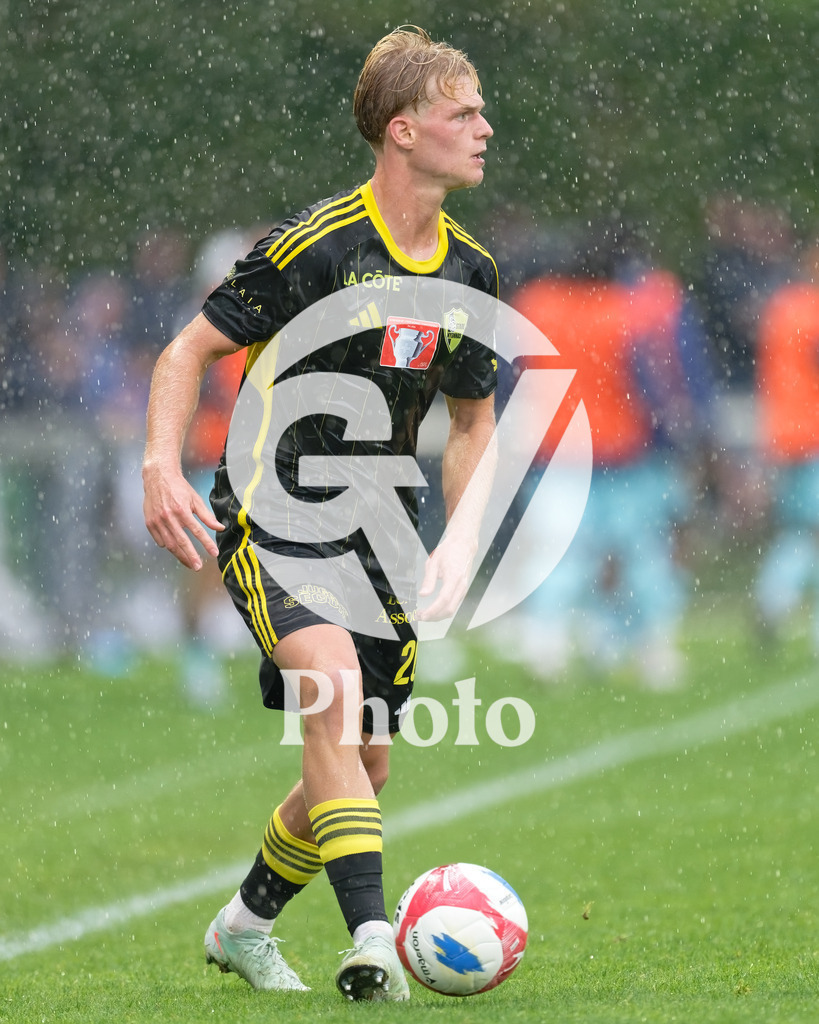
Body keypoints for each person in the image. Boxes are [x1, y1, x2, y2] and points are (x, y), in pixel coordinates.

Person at [142, 26, 497, 1002]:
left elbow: (474, 423)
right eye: (463, 112)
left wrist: (460, 540)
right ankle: (374, 938)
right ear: (402, 130)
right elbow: (185, 353)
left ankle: (245, 925)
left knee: (364, 765)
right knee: (332, 697)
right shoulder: (316, 247)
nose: (484, 127)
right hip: (274, 509)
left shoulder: (469, 275)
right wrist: (158, 465)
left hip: (383, 535)